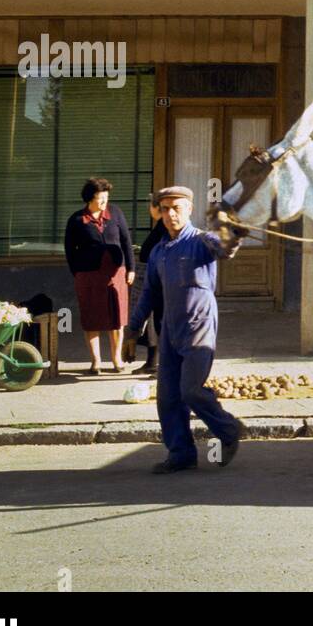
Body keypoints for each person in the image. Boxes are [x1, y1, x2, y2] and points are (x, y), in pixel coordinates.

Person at [125, 186, 248, 474]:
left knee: (191, 390)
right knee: (168, 396)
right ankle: (181, 454)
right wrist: (133, 326)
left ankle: (229, 429)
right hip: (170, 329)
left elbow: (226, 247)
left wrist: (234, 230)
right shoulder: (159, 252)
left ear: (189, 209)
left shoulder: (202, 241)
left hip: (199, 325)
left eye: (176, 208)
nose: (170, 214)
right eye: (165, 209)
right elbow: (149, 292)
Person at [64, 177, 135, 375]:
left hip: (116, 273)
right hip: (89, 276)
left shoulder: (116, 213)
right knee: (91, 318)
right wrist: (78, 273)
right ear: (89, 198)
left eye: (106, 197)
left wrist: (131, 268)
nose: (104, 201)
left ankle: (116, 359)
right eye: (100, 198)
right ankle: (96, 361)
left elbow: (126, 241)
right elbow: (69, 250)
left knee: (117, 318)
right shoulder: (77, 220)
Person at [133, 196, 169, 375]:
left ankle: (165, 367)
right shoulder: (160, 226)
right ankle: (152, 362)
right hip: (154, 281)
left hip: (163, 283)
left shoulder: (166, 226)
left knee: (161, 324)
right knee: (153, 325)